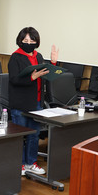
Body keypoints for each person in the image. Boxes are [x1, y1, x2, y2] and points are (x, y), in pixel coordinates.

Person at [8, 27, 59, 176]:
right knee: (20, 136)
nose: (29, 43)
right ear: (20, 41)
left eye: (32, 40)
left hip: (36, 102)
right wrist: (31, 78)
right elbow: (14, 80)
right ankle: (19, 164)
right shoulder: (15, 57)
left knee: (34, 135)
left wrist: (53, 63)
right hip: (20, 103)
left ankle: (31, 163)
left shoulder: (39, 56)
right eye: (25, 40)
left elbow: (46, 76)